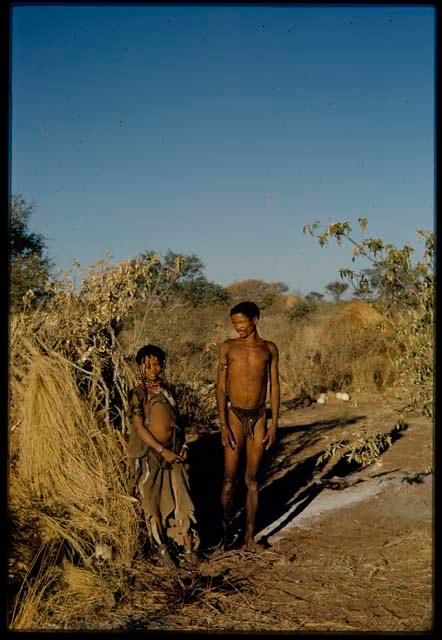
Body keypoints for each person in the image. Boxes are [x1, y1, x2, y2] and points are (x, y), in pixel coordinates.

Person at [216, 301, 280, 551]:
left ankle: (249, 538)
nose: (238, 327)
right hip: (234, 416)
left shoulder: (269, 349)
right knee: (230, 478)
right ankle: (224, 533)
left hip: (260, 417)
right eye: (234, 324)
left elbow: (274, 387)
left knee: (252, 479)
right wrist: (223, 424)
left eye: (242, 322)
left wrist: (274, 424)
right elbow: (221, 387)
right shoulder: (228, 348)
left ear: (256, 319)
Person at [127, 344, 199, 567]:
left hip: (175, 453)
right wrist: (161, 450)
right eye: (147, 364)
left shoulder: (169, 389)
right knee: (152, 502)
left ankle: (189, 547)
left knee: (182, 499)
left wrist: (183, 446)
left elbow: (180, 422)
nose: (152, 368)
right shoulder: (137, 394)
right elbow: (139, 427)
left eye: (157, 363)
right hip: (150, 454)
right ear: (140, 367)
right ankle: (162, 549)